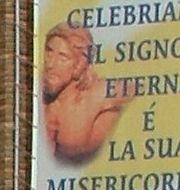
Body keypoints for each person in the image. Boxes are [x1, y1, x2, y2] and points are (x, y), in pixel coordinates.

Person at [41, 22, 126, 167]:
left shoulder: (96, 94)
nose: (50, 64)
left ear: (80, 65)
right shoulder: (34, 93)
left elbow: (143, 88)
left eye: (63, 58)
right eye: (49, 53)